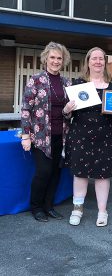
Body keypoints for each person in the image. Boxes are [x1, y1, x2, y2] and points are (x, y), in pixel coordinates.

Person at [63, 46, 112, 227]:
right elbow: (67, 115)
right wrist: (67, 110)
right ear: (88, 62)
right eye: (94, 58)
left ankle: (102, 211)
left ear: (105, 62)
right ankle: (77, 209)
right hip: (81, 136)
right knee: (80, 175)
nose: (98, 62)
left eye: (101, 58)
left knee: (103, 176)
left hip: (106, 136)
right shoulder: (78, 84)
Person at [21, 41, 72, 222]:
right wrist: (26, 135)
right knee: (43, 172)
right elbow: (26, 109)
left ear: (63, 60)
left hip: (61, 135)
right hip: (41, 136)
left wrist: (70, 110)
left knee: (56, 173)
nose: (56, 61)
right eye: (52, 57)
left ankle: (48, 206)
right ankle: (36, 207)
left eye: (59, 58)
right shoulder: (35, 80)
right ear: (46, 59)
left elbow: (69, 111)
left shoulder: (67, 82)